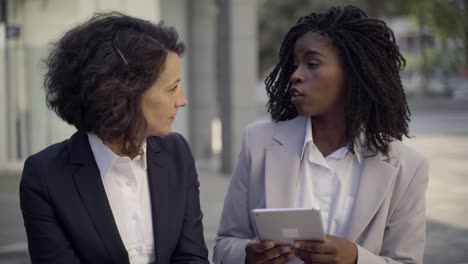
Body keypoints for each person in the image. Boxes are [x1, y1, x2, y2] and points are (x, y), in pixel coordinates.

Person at [214, 5, 428, 264]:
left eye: (312, 64)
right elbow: (225, 245)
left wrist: (356, 258)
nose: (295, 76)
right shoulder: (257, 142)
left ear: (354, 73)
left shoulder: (406, 166)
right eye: (295, 65)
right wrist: (247, 255)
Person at [20, 12, 209, 264]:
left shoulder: (177, 155)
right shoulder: (45, 177)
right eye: (172, 88)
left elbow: (192, 257)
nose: (182, 100)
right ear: (122, 93)